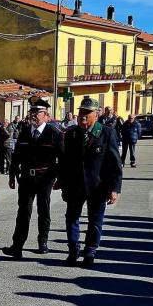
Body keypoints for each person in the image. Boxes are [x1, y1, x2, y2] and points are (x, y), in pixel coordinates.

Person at [59, 96, 122, 267]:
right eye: (81, 112)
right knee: (71, 218)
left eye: (87, 113)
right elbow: (65, 162)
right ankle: (73, 250)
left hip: (97, 186)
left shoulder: (106, 132)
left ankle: (90, 251)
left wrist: (114, 188)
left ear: (97, 114)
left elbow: (115, 163)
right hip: (75, 186)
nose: (82, 116)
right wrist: (62, 183)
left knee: (95, 221)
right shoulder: (71, 134)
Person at [2, 98, 63, 259]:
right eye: (32, 112)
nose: (33, 115)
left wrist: (59, 177)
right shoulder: (25, 131)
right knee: (23, 211)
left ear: (46, 115)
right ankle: (17, 246)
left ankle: (43, 242)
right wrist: (12, 174)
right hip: (27, 177)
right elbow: (16, 156)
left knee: (44, 210)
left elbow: (62, 157)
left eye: (37, 113)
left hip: (45, 178)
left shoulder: (54, 133)